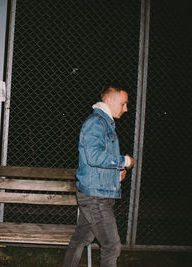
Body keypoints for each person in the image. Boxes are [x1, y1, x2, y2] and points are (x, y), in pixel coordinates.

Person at [63, 84, 135, 267]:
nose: (126, 108)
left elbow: (94, 162)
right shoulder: (96, 123)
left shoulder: (104, 123)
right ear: (110, 100)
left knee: (81, 238)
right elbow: (94, 156)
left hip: (95, 191)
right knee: (111, 246)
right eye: (124, 103)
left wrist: (114, 175)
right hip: (96, 197)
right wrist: (124, 161)